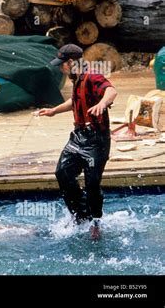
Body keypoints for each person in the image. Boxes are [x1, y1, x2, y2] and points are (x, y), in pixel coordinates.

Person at [38, 44, 117, 239]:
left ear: (71, 62)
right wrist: (54, 111)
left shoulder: (92, 76)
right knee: (62, 172)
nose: (60, 69)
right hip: (78, 137)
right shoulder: (76, 79)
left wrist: (102, 103)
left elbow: (111, 91)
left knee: (92, 183)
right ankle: (81, 215)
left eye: (62, 65)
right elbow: (75, 101)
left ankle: (96, 223)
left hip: (96, 140)